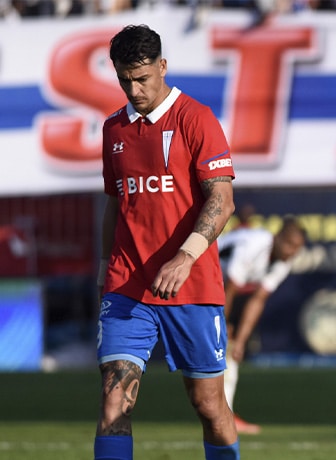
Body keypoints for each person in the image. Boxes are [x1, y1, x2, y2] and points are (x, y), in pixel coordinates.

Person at [95, 24, 239, 460]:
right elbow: (116, 204)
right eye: (124, 79)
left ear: (162, 66)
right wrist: (105, 270)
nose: (134, 89)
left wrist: (185, 257)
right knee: (114, 405)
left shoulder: (196, 119)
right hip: (127, 288)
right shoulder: (114, 129)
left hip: (191, 288)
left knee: (209, 406)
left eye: (142, 78)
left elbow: (222, 198)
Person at [218, 215, 306, 434]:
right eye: (289, 244)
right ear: (277, 237)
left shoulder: (284, 261)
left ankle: (225, 415)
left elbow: (258, 299)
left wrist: (240, 340)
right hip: (199, 277)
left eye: (297, 248)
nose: (291, 251)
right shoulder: (254, 244)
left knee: (232, 353)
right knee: (218, 345)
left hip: (221, 290)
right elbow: (230, 287)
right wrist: (221, 324)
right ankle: (220, 415)